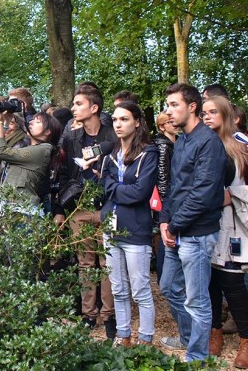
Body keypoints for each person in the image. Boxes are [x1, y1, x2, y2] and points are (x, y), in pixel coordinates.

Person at [158, 83, 227, 362]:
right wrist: (164, 220)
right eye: (168, 105)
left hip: (197, 234)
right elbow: (175, 187)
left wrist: (174, 226)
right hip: (176, 229)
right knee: (168, 287)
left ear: (192, 107)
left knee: (197, 300)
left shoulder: (209, 142)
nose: (168, 111)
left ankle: (197, 357)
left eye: (174, 105)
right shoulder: (183, 139)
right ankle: (188, 338)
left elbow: (203, 194)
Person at [201, 96, 248, 368]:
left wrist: (233, 196)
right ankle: (215, 332)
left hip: (235, 224)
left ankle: (246, 339)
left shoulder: (243, 148)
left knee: (232, 281)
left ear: (227, 115)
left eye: (213, 112)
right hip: (206, 222)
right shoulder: (201, 145)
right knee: (210, 281)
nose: (207, 117)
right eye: (204, 112)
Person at [55, 84, 117, 336]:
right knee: (85, 263)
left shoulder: (113, 137)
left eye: (78, 104)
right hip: (79, 208)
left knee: (108, 264)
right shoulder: (71, 139)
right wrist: (60, 208)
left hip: (107, 207)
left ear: (94, 108)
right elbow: (63, 174)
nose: (73, 108)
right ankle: (89, 315)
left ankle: (109, 316)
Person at [99, 101, 158, 347]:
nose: (118, 124)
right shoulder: (111, 154)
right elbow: (104, 186)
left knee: (140, 289)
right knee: (118, 288)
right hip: (111, 228)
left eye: (124, 119)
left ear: (137, 122)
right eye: (115, 119)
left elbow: (140, 192)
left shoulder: (149, 152)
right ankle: (123, 336)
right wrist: (118, 188)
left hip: (136, 229)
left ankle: (145, 339)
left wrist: (115, 188)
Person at [0, 112, 61, 210]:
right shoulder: (31, 148)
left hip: (22, 211)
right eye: (32, 120)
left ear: (48, 131)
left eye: (37, 121)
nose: (31, 122)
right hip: (11, 207)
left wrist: (1, 122)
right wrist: (6, 123)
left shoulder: (43, 150)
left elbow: (0, 151)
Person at [152, 111, 176, 282]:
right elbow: (162, 176)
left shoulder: (175, 143)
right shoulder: (163, 146)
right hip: (165, 199)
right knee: (163, 235)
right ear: (162, 126)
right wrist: (164, 203)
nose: (174, 124)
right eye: (169, 122)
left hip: (170, 197)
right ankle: (163, 277)